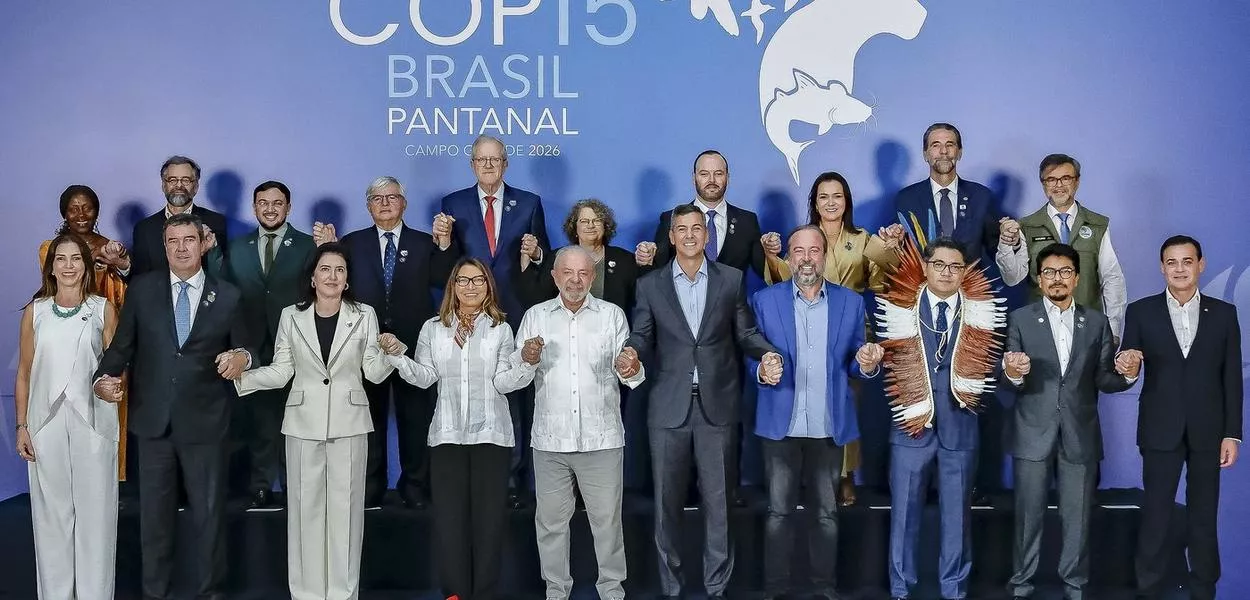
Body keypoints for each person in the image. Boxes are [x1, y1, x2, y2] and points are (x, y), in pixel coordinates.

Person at [93, 212, 255, 600]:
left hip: (207, 423)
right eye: (173, 241)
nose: (181, 248)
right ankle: (155, 593)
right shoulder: (143, 290)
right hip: (153, 424)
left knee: (209, 518)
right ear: (164, 247)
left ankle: (210, 593)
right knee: (154, 521)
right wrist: (102, 378)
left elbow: (251, 348)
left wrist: (243, 358)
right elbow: (122, 347)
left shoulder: (229, 294)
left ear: (203, 244)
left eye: (188, 240)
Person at [625, 203, 781, 600]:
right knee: (666, 508)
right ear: (672, 237)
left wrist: (766, 353)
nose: (691, 235)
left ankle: (717, 588)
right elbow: (642, 336)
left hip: (719, 406)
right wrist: (630, 353)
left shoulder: (730, 280)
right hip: (667, 408)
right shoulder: (650, 285)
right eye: (683, 229)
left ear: (707, 235)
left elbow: (745, 333)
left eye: (698, 228)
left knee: (720, 507)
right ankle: (671, 589)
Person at [234, 242, 401, 600]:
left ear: (347, 280)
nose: (332, 276)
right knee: (304, 516)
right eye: (325, 269)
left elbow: (372, 372)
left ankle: (343, 594)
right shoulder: (290, 316)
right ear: (312, 276)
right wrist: (240, 378)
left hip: (350, 424)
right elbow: (282, 371)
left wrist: (391, 355)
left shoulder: (364, 314)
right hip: (302, 425)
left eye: (340, 270)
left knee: (347, 517)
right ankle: (307, 594)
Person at [385, 258, 538, 600]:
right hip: (447, 438)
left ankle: (484, 593)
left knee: (489, 525)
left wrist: (527, 361)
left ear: (488, 286)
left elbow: (504, 382)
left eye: (479, 280)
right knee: (450, 525)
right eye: (464, 280)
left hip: (491, 438)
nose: (471, 287)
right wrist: (397, 355)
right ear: (452, 285)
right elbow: (426, 377)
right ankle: (454, 594)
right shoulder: (433, 329)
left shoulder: (500, 328)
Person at [750, 225, 885, 600]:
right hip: (781, 425)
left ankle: (823, 590)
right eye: (798, 251)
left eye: (814, 251)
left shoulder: (851, 303)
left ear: (824, 256)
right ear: (788, 257)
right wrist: (760, 371)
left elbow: (857, 362)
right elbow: (748, 355)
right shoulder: (764, 300)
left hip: (828, 426)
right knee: (779, 514)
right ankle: (775, 590)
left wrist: (868, 362)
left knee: (825, 515)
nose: (806, 258)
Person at [1000, 243, 1136, 600]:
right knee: (1027, 516)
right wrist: (1013, 373)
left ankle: (1074, 585)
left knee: (1077, 518)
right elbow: (1010, 377)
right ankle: (1022, 582)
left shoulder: (1096, 322)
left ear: (1076, 278)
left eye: (1064, 272)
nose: (1056, 279)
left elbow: (1105, 378)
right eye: (1048, 272)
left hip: (1080, 434)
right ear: (1039, 279)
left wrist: (1129, 375)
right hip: (1032, 431)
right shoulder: (1020, 319)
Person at [634, 149, 770, 508]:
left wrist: (774, 256)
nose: (711, 179)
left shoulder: (747, 224)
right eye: (704, 173)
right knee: (669, 502)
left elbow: (763, 280)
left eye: (719, 173)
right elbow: (654, 291)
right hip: (672, 380)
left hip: (722, 368)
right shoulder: (668, 223)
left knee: (721, 497)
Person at [760, 171, 905, 505]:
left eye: (837, 196)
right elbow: (781, 281)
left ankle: (845, 475)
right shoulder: (804, 238)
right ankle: (807, 475)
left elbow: (883, 280)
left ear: (846, 201)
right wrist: (771, 255)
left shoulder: (863, 237)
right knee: (803, 401)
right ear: (814, 202)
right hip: (804, 327)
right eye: (823, 196)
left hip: (848, 328)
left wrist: (890, 248)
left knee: (844, 404)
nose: (830, 202)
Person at [892, 123, 1019, 503]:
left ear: (960, 152)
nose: (943, 152)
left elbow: (999, 253)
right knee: (922, 389)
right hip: (921, 314)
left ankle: (965, 482)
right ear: (925, 153)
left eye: (950, 145)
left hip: (971, 315)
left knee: (966, 393)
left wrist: (1010, 238)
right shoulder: (906, 197)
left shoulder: (982, 197)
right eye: (935, 146)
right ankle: (922, 481)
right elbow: (904, 258)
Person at [876, 237, 1006, 600]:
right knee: (902, 519)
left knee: (957, 522)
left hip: (961, 431)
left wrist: (1011, 370)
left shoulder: (983, 310)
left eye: (955, 266)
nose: (947, 272)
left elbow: (991, 367)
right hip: (910, 431)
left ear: (964, 272)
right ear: (926, 266)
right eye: (939, 265)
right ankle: (901, 591)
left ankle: (954, 591)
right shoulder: (898, 305)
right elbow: (878, 365)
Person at [317, 176, 458, 509]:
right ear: (368, 205)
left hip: (413, 345)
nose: (384, 203)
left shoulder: (425, 243)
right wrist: (326, 249)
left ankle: (416, 487)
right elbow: (333, 283)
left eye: (392, 197)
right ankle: (370, 487)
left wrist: (445, 244)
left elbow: (444, 279)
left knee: (416, 419)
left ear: (404, 204)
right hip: (364, 344)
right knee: (368, 419)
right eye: (377, 198)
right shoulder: (351, 243)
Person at [514, 246, 646, 600]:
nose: (575, 281)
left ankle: (612, 591)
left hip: (602, 439)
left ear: (593, 276)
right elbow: (517, 378)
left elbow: (630, 370)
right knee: (551, 525)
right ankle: (556, 592)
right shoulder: (535, 316)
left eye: (583, 273)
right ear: (555, 276)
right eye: (567, 273)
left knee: (607, 524)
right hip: (551, 441)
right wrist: (526, 360)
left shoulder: (612, 316)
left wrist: (631, 367)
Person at [1124, 235, 1242, 600]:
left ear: (1200, 265)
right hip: (1160, 429)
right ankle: (1148, 589)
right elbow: (1127, 369)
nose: (1179, 269)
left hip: (1210, 432)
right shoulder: (1140, 311)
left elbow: (1231, 378)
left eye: (1186, 261)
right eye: (1171, 262)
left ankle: (1204, 588)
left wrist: (1232, 434)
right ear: (1162, 267)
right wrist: (1127, 369)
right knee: (1156, 515)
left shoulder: (1224, 314)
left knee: (1204, 516)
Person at [440, 134, 551, 509]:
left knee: (516, 396)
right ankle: (480, 477)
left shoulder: (530, 202)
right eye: (481, 160)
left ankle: (515, 478)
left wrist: (535, 255)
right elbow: (447, 264)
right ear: (472, 164)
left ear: (506, 164)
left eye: (495, 159)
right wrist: (442, 244)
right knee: (473, 391)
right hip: (470, 314)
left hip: (516, 312)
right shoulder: (452, 204)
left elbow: (545, 258)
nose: (488, 166)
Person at [16, 233, 120, 599]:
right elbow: (25, 373)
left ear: (86, 265)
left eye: (76, 258)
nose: (69, 265)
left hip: (94, 421)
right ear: (51, 266)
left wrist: (112, 386)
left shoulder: (102, 308)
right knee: (51, 517)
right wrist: (22, 426)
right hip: (45, 423)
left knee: (97, 516)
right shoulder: (36, 311)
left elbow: (117, 366)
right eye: (61, 259)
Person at [224, 180, 317, 509]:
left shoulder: (309, 246)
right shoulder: (237, 247)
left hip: (297, 343)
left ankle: (297, 486)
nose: (270, 208)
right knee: (261, 419)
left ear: (289, 208)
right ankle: (262, 485)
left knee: (298, 418)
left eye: (277, 203)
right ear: (254, 207)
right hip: (252, 345)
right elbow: (226, 294)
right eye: (263, 202)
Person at [37, 184, 132, 480]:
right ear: (64, 212)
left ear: (97, 210)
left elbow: (124, 293)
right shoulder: (49, 249)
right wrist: (99, 261)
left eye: (88, 207)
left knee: (106, 400)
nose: (81, 214)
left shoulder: (112, 246)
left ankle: (107, 476)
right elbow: (61, 282)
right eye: (74, 208)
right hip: (62, 337)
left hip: (104, 334)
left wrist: (120, 263)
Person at [996, 154, 1128, 340]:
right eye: (1051, 179)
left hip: (1088, 328)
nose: (1058, 185)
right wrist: (1006, 244)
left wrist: (1113, 329)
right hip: (1039, 331)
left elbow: (1112, 279)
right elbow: (1012, 277)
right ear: (1043, 184)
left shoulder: (1098, 225)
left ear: (1077, 181)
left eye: (1065, 178)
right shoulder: (1027, 226)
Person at [516, 198, 639, 317]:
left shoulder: (625, 260)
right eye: (584, 221)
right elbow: (538, 297)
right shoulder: (557, 257)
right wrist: (527, 258)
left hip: (609, 333)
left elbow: (641, 297)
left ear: (605, 227)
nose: (590, 225)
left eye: (597, 220)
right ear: (574, 228)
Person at [129, 155, 228, 278]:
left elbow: (224, 274)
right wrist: (124, 266)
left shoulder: (217, 222)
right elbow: (139, 278)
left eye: (185, 180)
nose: (179, 185)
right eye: (172, 180)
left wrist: (211, 247)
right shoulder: (144, 228)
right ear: (163, 186)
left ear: (196, 187)